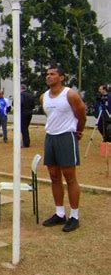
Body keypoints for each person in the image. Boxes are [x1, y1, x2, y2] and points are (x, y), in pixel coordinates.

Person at [40, 66, 86, 233]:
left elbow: (81, 114)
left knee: (70, 177)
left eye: (52, 74)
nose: (49, 77)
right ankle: (60, 213)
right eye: (47, 74)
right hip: (50, 137)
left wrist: (78, 131)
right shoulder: (43, 96)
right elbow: (51, 117)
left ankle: (74, 216)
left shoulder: (70, 94)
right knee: (54, 176)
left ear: (61, 77)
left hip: (66, 136)